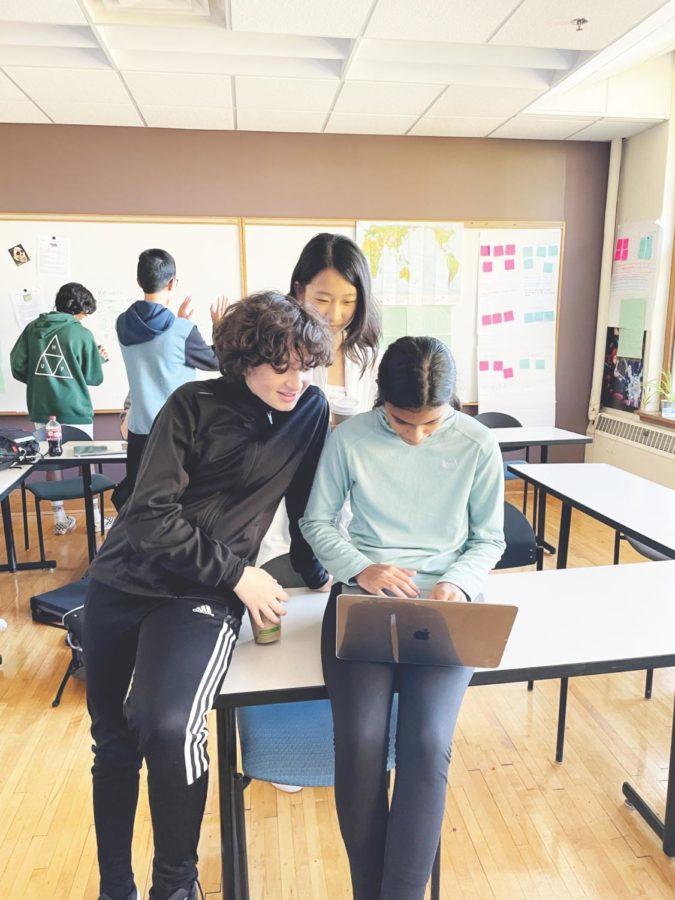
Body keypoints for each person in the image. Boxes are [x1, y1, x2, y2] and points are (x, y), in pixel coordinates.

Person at [83, 291, 333, 900]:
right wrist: (240, 575)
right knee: (113, 739)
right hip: (123, 582)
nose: (295, 380)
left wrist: (320, 575)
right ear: (245, 359)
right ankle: (116, 883)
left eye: (305, 365)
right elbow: (148, 516)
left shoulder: (309, 410)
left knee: (169, 726)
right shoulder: (190, 404)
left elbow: (302, 506)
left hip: (197, 598)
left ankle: (177, 884)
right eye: (282, 366)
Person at [300, 336, 506, 900]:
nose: (416, 435)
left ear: (453, 405)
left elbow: (489, 537)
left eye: (431, 424)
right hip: (363, 601)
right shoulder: (350, 439)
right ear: (380, 403)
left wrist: (457, 583)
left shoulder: (478, 444)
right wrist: (362, 568)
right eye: (401, 422)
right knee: (361, 738)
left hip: (447, 605)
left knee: (427, 737)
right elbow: (316, 523)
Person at [257, 232, 382, 569]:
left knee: (341, 570)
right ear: (300, 290)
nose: (335, 314)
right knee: (284, 569)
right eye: (323, 299)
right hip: (288, 484)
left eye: (349, 300)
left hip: (348, 483)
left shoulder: (366, 352)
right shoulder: (280, 349)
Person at [111, 248, 226, 510]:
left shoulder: (122, 324)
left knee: (141, 503)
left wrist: (179, 319)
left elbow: (154, 347)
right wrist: (218, 325)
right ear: (172, 282)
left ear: (140, 281)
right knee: (178, 504)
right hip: (178, 431)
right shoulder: (181, 331)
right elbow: (219, 361)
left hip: (140, 431)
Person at [10, 281, 109, 535]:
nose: (84, 320)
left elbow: (17, 365)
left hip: (42, 408)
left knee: (51, 460)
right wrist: (101, 358)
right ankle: (96, 517)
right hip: (75, 408)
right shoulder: (81, 334)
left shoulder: (33, 329)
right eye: (85, 314)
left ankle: (60, 518)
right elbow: (93, 377)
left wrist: (40, 380)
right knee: (88, 462)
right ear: (79, 309)